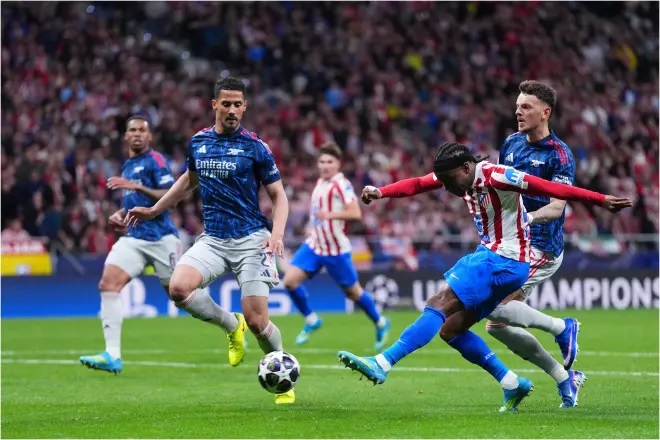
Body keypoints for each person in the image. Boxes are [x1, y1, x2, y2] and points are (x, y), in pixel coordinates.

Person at [339, 142, 632, 412]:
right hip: (502, 261)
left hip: (502, 259)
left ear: (467, 168)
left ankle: (383, 362)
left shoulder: (499, 176)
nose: (447, 187)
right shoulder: (455, 173)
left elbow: (551, 187)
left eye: (449, 181)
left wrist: (600, 199)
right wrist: (381, 192)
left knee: (439, 303)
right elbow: (417, 184)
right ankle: (511, 383)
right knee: (451, 329)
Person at [125, 77, 294, 404]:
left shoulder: (256, 147)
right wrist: (155, 209)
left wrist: (277, 234)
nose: (232, 110)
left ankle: (284, 380)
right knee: (178, 288)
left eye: (237, 104)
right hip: (214, 239)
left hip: (252, 239)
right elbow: (188, 181)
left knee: (258, 321)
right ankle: (231, 325)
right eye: (226, 103)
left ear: (245, 107)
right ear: (214, 105)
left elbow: (279, 196)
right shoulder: (199, 142)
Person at [79, 115, 181, 374]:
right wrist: (121, 214)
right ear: (126, 136)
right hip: (135, 238)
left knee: (181, 296)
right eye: (132, 130)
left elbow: (171, 196)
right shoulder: (128, 165)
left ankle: (231, 323)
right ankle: (112, 355)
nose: (137, 134)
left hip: (161, 238)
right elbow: (135, 204)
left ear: (149, 136)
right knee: (108, 284)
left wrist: (136, 186)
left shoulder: (156, 161)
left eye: (142, 130)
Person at [282, 142, 390, 349]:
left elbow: (355, 213)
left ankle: (381, 322)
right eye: (322, 161)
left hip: (335, 250)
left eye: (329, 162)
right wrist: (312, 227)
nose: (325, 166)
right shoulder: (320, 183)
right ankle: (312, 320)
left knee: (353, 293)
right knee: (289, 281)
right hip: (315, 245)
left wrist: (330, 215)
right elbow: (317, 213)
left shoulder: (342, 184)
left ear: (338, 164)